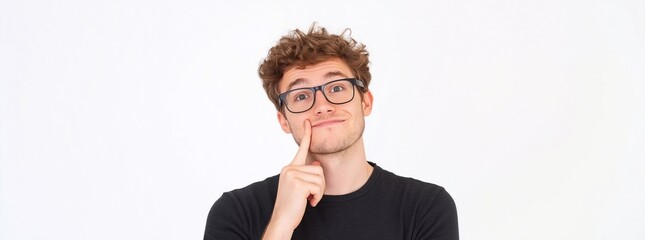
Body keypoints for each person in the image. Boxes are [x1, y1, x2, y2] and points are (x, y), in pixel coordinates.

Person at [204, 24, 459, 240]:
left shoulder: (425, 207)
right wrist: (281, 224)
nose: (323, 106)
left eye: (337, 88)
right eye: (301, 95)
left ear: (365, 102)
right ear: (283, 120)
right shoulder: (236, 212)